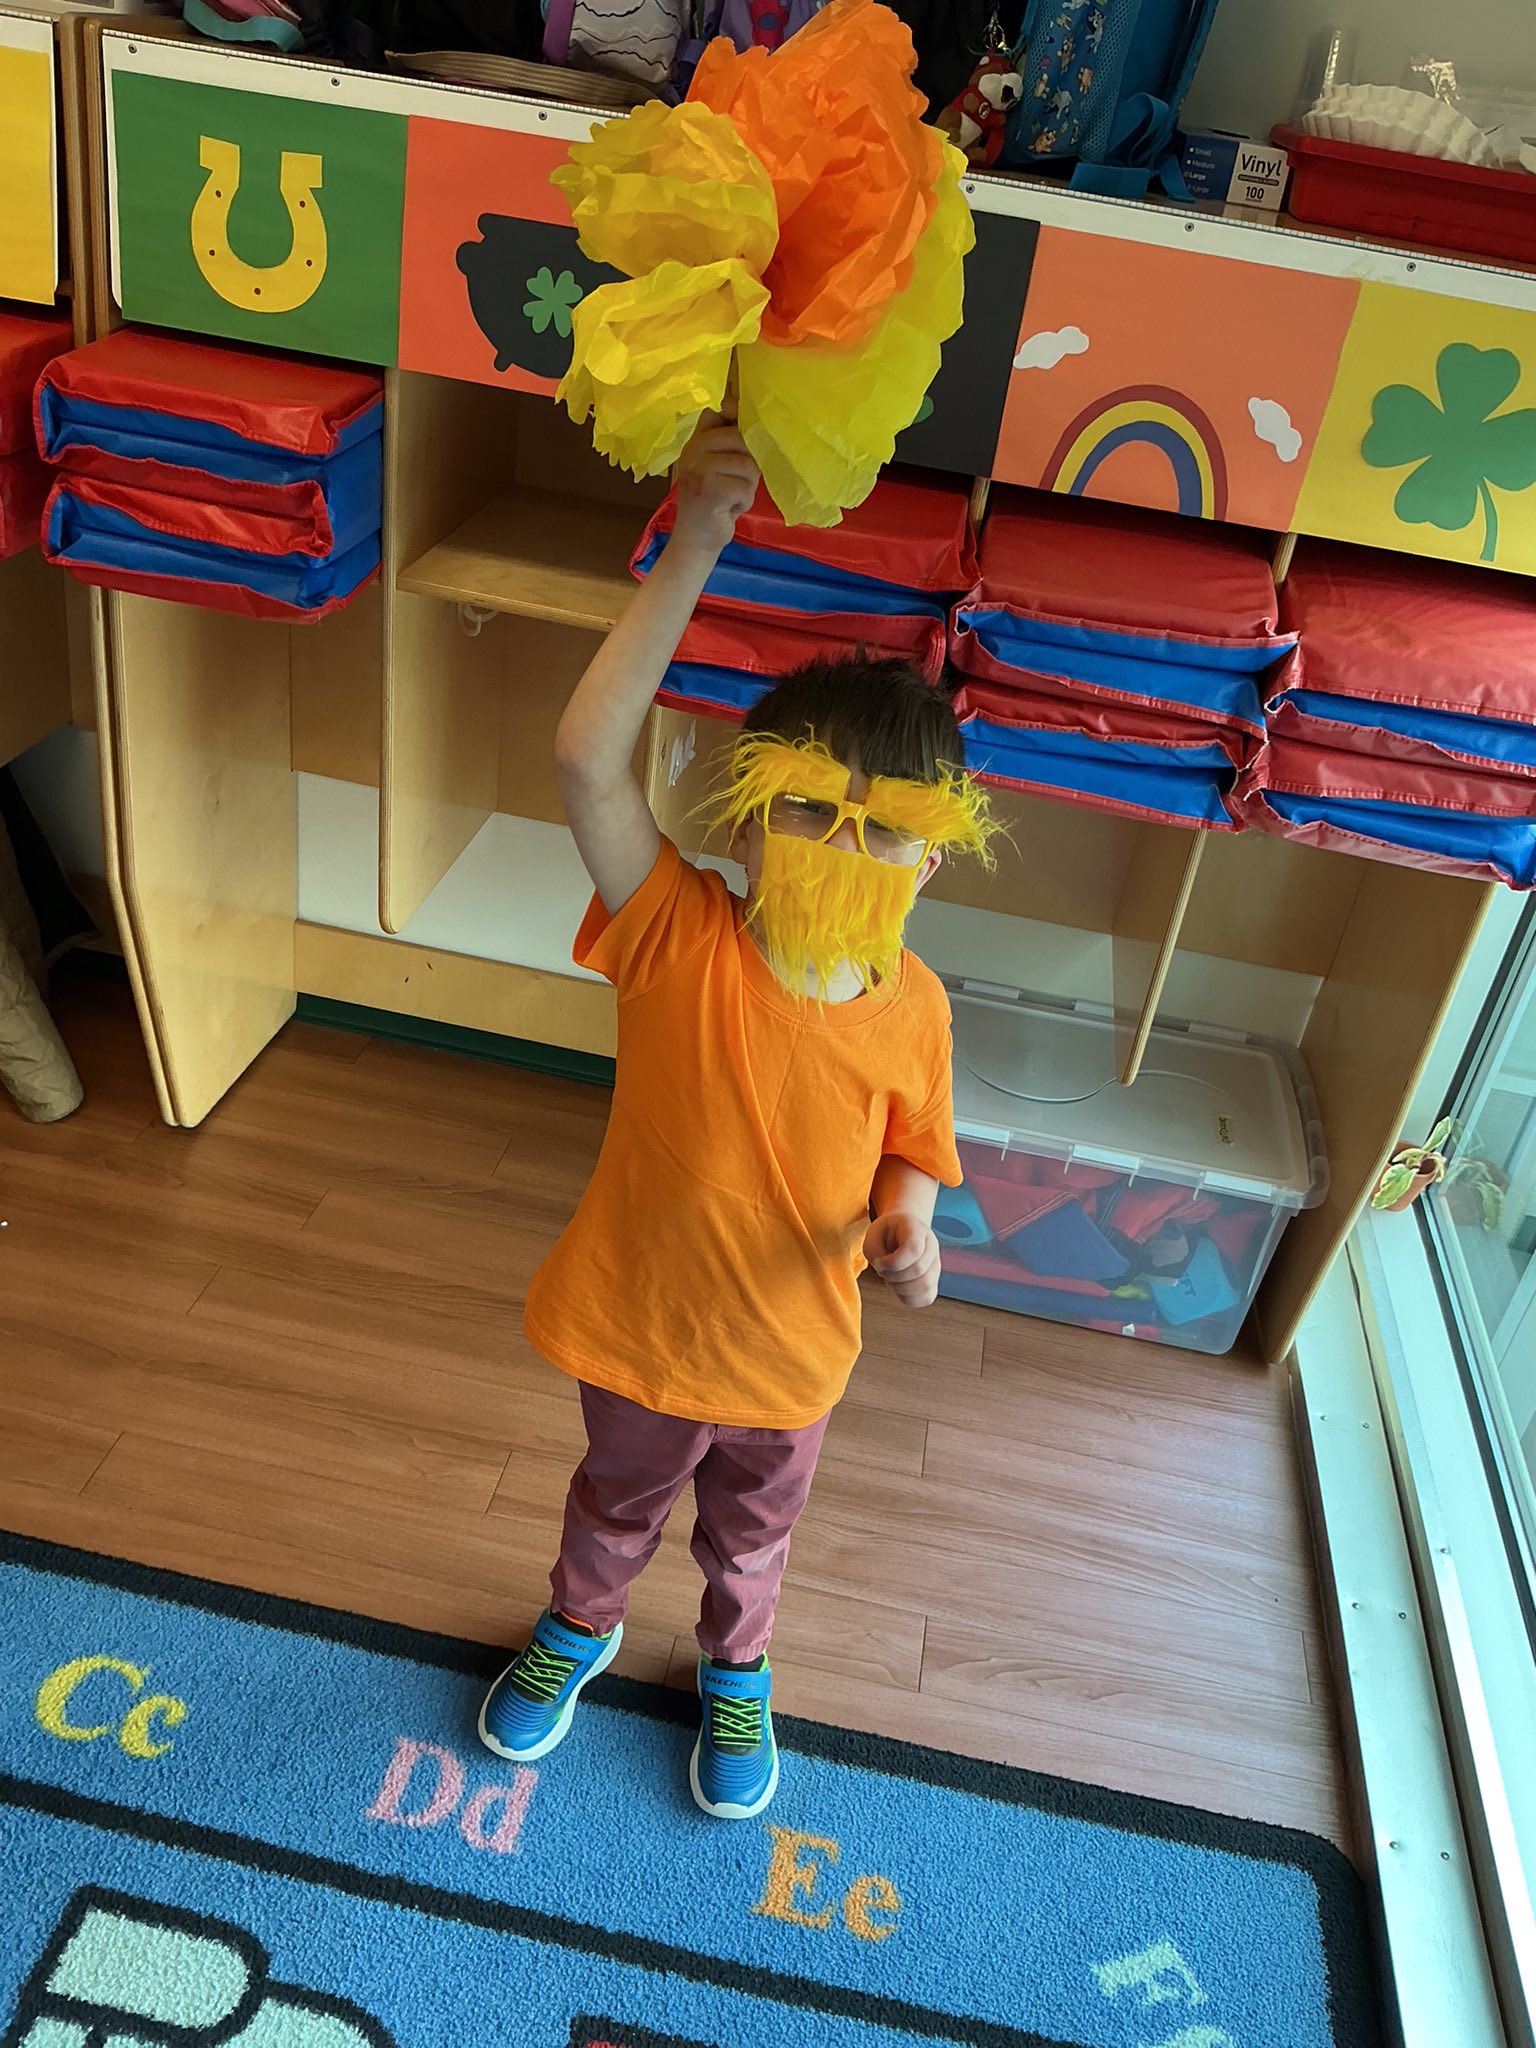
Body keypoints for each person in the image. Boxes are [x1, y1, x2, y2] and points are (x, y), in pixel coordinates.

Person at [477, 415, 995, 1820]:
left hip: (793, 1357)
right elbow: (587, 762)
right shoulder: (678, 935)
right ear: (751, 814)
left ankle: (737, 1665)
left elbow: (912, 1154)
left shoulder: (918, 1007)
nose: (847, 846)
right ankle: (581, 1625)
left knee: (755, 1535)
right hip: (641, 1330)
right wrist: (693, 542)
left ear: (932, 856)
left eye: (886, 828)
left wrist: (909, 1235)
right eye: (814, 810)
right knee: (616, 1502)